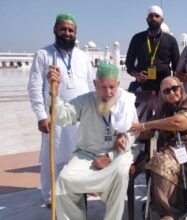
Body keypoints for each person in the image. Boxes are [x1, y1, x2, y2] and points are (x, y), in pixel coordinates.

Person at [47, 63, 139, 220]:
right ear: (95, 84)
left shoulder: (125, 102)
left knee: (121, 174)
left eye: (112, 87)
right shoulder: (85, 101)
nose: (108, 92)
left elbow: (133, 131)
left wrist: (110, 156)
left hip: (118, 155)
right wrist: (53, 91)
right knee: (64, 180)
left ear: (118, 84)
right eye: (103, 87)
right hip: (87, 154)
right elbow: (62, 117)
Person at [27, 13, 95, 207]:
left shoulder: (82, 56)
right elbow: (34, 86)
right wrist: (41, 116)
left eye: (71, 30)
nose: (67, 33)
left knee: (81, 155)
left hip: (81, 116)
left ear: (76, 33)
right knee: (54, 156)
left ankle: (79, 189)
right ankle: (51, 196)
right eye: (63, 29)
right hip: (55, 116)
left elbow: (91, 85)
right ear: (55, 30)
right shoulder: (43, 55)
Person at [130, 76, 187, 220]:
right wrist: (127, 132)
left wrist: (146, 125)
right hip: (174, 150)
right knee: (160, 160)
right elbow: (146, 132)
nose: (172, 93)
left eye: (174, 88)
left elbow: (180, 122)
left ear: (181, 87)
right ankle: (169, 213)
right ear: (163, 95)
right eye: (166, 91)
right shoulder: (163, 110)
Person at [125, 5, 180, 94]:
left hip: (164, 88)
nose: (153, 18)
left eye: (157, 16)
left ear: (162, 20)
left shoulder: (171, 40)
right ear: (147, 19)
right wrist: (137, 75)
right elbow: (129, 63)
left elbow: (177, 66)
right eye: (151, 16)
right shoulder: (137, 38)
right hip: (142, 87)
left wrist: (174, 85)